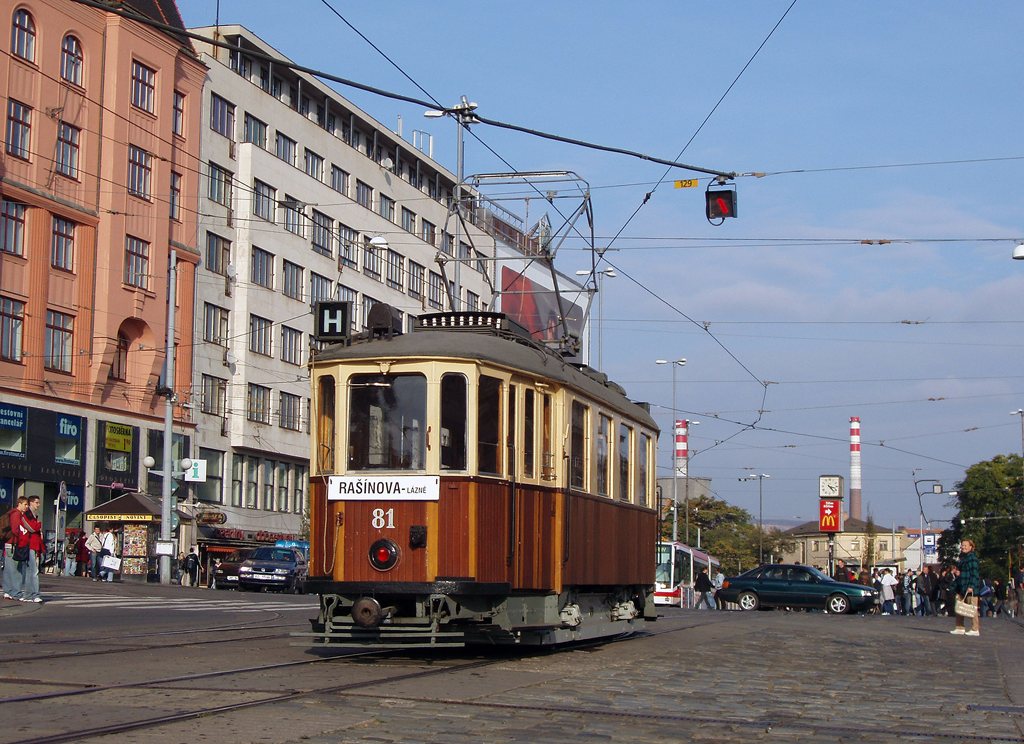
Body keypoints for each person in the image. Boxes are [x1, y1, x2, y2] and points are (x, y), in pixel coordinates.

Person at [951, 539, 981, 636]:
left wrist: (972, 586)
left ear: (971, 547)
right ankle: (959, 627)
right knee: (959, 607)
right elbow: (964, 571)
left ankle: (975, 629)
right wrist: (958, 573)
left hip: (969, 587)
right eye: (962, 545)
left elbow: (975, 574)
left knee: (972, 608)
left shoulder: (972, 558)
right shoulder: (963, 558)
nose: (963, 547)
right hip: (961, 586)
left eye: (965, 545)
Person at [2, 496, 30, 600]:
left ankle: (7, 591)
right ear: (20, 504)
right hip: (14, 544)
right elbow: (15, 529)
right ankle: (16, 593)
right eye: (25, 504)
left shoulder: (12, 513)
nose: (26, 507)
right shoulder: (17, 514)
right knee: (16, 570)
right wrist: (22, 539)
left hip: (9, 544)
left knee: (8, 570)